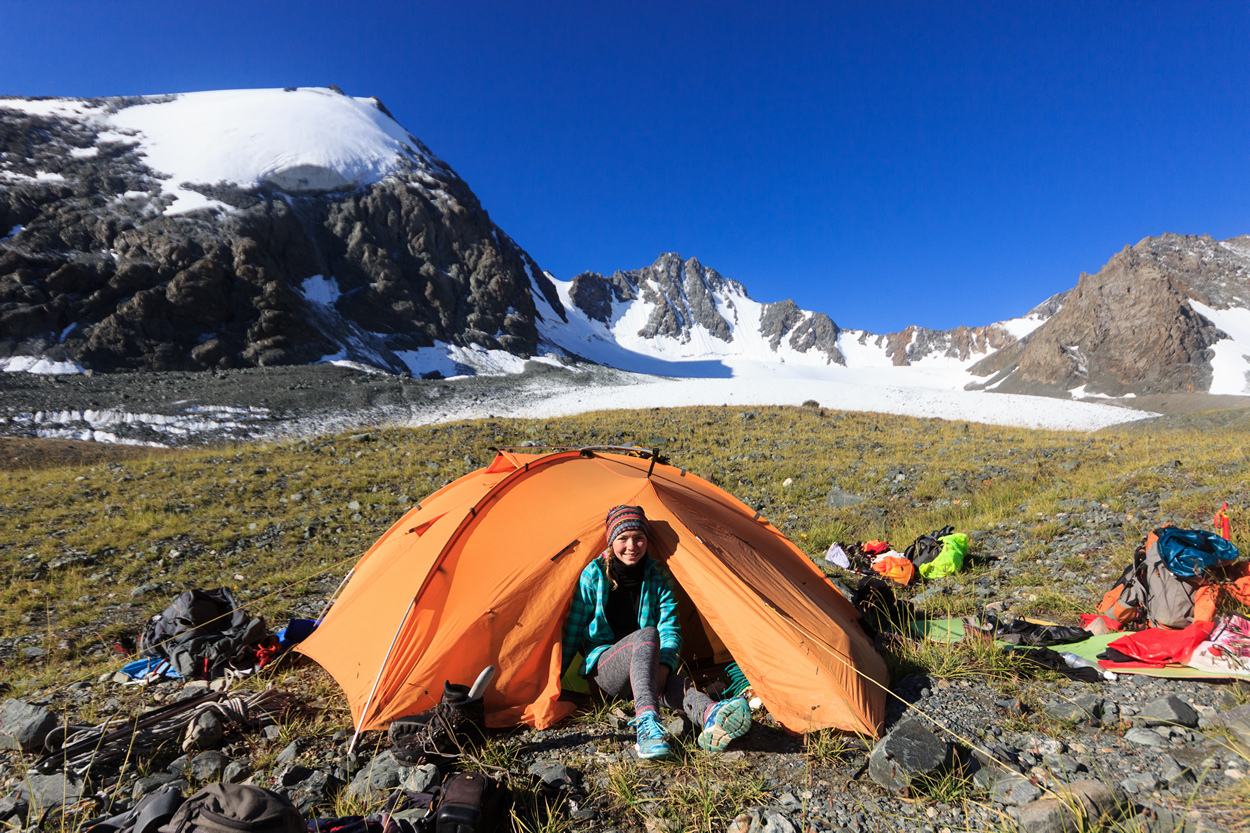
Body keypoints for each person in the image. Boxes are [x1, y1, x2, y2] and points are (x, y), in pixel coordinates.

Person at [561, 505, 751, 759]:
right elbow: (572, 633)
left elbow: (671, 629)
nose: (632, 546)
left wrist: (664, 665)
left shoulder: (657, 575)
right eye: (623, 539)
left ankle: (711, 714)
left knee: (672, 678)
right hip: (606, 675)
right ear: (611, 541)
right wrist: (546, 689)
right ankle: (647, 728)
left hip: (645, 673)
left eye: (639, 538)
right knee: (648, 634)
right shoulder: (593, 575)